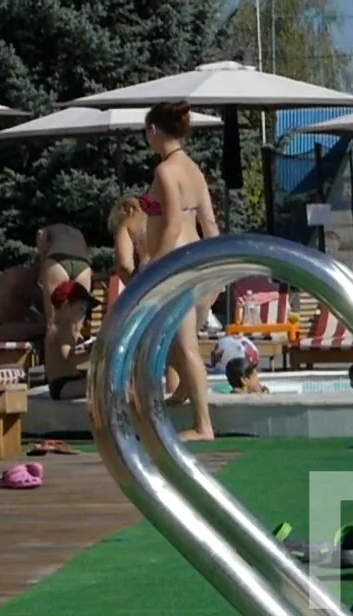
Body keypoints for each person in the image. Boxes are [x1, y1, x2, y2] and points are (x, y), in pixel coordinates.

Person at [142, 101, 219, 441]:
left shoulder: (165, 171)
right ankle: (185, 390)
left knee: (185, 345)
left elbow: (171, 224)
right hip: (199, 257)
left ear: (154, 130)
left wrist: (153, 267)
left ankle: (203, 425)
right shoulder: (194, 169)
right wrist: (216, 271)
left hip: (175, 261)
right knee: (167, 338)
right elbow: (210, 224)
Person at [38, 224, 93, 379]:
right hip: (83, 264)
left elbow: (41, 242)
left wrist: (43, 267)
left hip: (57, 259)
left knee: (53, 322)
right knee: (77, 323)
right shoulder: (77, 232)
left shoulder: (46, 230)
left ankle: (54, 376)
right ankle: (75, 370)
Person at [108, 194, 148, 307]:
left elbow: (124, 265)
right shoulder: (161, 215)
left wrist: (132, 286)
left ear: (128, 209)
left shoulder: (128, 222)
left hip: (150, 274)